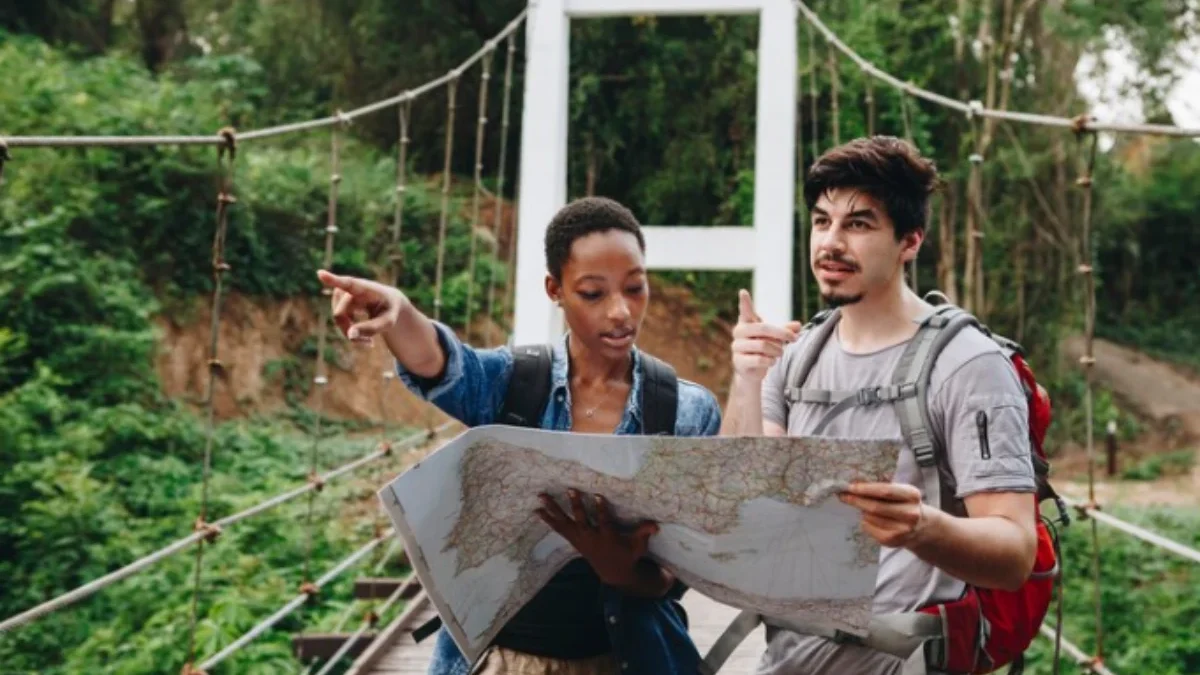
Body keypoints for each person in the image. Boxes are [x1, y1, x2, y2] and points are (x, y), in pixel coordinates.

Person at [316, 196, 721, 675]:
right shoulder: (515, 384)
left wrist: (622, 572)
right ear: (555, 288)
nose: (620, 312)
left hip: (629, 659)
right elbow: (443, 364)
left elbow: (680, 574)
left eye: (635, 288)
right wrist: (399, 311)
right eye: (593, 293)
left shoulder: (686, 411)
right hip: (504, 661)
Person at [720, 136, 1039, 674]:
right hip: (786, 660)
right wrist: (746, 379)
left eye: (859, 224)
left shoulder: (969, 366)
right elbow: (740, 506)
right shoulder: (795, 358)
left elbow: (1014, 555)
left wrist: (923, 527)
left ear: (910, 240)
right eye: (822, 222)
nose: (831, 243)